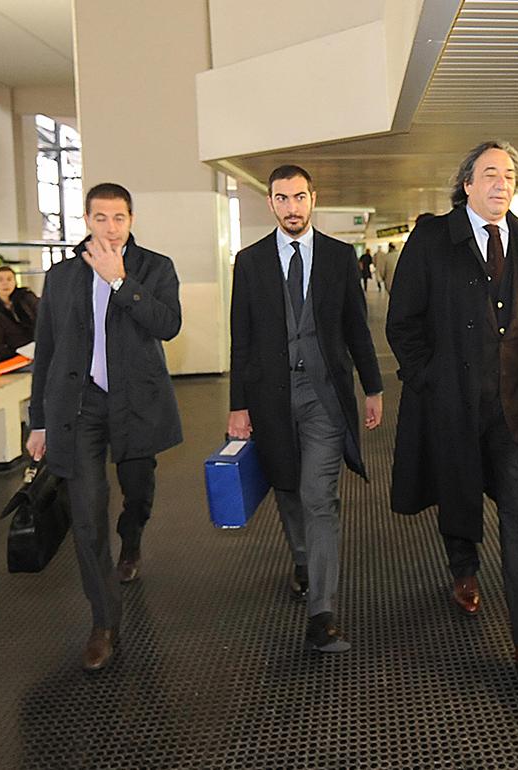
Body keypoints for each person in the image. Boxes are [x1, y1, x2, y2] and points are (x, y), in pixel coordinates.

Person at [387, 140, 518, 675]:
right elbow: (404, 323)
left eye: (508, 175)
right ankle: (463, 568)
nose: (501, 183)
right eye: (489, 174)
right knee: (457, 495)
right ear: (467, 184)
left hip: (517, 410)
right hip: (453, 405)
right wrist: (427, 380)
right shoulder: (434, 238)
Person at [26, 182, 183, 671]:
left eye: (118, 218)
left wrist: (120, 281)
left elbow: (167, 324)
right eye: (100, 218)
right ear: (87, 220)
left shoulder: (155, 268)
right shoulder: (62, 278)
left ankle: (131, 537)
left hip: (135, 403)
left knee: (137, 490)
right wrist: (40, 422)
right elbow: (46, 354)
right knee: (87, 515)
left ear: (131, 220)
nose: (110, 227)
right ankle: (104, 621)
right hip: (80, 408)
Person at [228, 164, 383, 653]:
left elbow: (357, 328)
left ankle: (322, 610)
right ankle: (301, 557)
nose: (292, 207)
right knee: (288, 489)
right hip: (270, 396)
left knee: (320, 497)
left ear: (312, 199)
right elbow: (242, 339)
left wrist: (373, 387)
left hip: (324, 397)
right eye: (282, 198)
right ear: (271, 203)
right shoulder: (250, 262)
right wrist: (238, 405)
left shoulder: (339, 257)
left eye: (299, 197)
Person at [0, 265, 39, 362]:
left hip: (37, 349)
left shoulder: (27, 298)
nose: (5, 283)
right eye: (0, 280)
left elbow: (43, 320)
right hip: (13, 357)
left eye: (9, 279)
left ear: (15, 282)